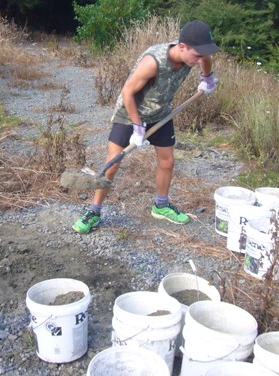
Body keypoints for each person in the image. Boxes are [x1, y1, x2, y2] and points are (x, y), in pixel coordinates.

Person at [73, 20, 219, 234]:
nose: (199, 60)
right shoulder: (153, 62)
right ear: (182, 47)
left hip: (160, 113)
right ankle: (94, 211)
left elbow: (206, 57)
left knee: (167, 161)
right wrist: (137, 127)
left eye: (201, 56)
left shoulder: (195, 53)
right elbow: (127, 92)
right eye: (196, 56)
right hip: (130, 112)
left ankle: (161, 205)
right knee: (113, 163)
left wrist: (207, 77)